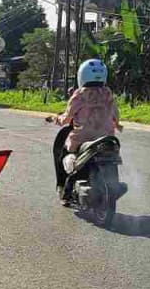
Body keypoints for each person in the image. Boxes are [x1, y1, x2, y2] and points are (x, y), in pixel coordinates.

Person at [47, 59, 121, 199]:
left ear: (82, 75)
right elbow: (116, 117)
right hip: (106, 139)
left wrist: (55, 118)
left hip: (82, 139)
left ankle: (65, 189)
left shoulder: (79, 95)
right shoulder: (108, 94)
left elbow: (66, 119)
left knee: (63, 153)